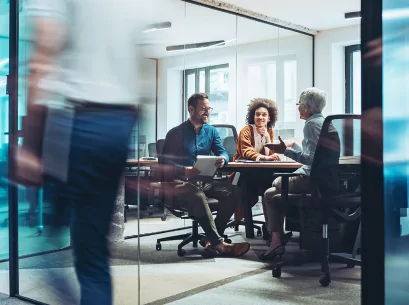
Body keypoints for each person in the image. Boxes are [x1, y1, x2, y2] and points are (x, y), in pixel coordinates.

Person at [22, 0, 158, 304]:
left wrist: (29, 143)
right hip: (118, 124)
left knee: (48, 243)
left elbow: (43, 54)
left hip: (75, 122)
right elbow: (145, 70)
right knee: (93, 253)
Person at [159, 92, 251, 257]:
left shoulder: (212, 132)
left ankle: (210, 239)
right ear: (191, 109)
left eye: (209, 108)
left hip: (204, 181)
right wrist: (184, 169)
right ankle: (220, 244)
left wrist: (223, 160)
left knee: (235, 192)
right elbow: (164, 164)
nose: (207, 112)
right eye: (203, 109)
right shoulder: (175, 133)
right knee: (197, 195)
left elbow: (223, 153)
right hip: (180, 184)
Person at [261, 87, 327, 260]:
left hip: (310, 179)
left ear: (306, 107)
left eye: (299, 104)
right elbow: (314, 153)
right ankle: (277, 240)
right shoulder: (325, 122)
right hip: (322, 179)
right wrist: (289, 147)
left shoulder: (311, 125)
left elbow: (312, 159)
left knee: (276, 183)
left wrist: (286, 152)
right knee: (270, 194)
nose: (297, 107)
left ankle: (276, 241)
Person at [232, 98, 279, 230]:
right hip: (242, 173)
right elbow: (246, 152)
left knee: (270, 186)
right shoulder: (246, 130)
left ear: (269, 118)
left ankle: (271, 226)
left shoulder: (269, 131)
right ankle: (259, 227)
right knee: (258, 185)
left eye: (264, 115)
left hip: (260, 172)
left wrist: (268, 139)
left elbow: (270, 155)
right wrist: (265, 157)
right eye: (257, 114)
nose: (260, 117)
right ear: (253, 116)